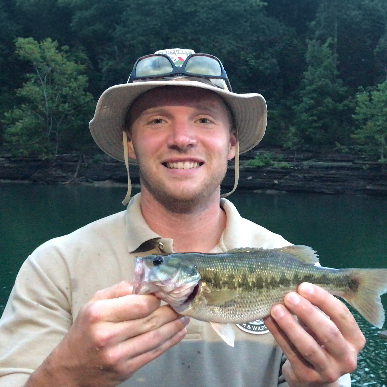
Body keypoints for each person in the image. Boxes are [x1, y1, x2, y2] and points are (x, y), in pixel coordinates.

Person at [0, 48, 365, 387]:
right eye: (157, 120)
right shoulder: (54, 267)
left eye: (204, 119)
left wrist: (321, 381)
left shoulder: (281, 259)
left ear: (232, 143)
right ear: (130, 142)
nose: (182, 138)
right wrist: (65, 373)